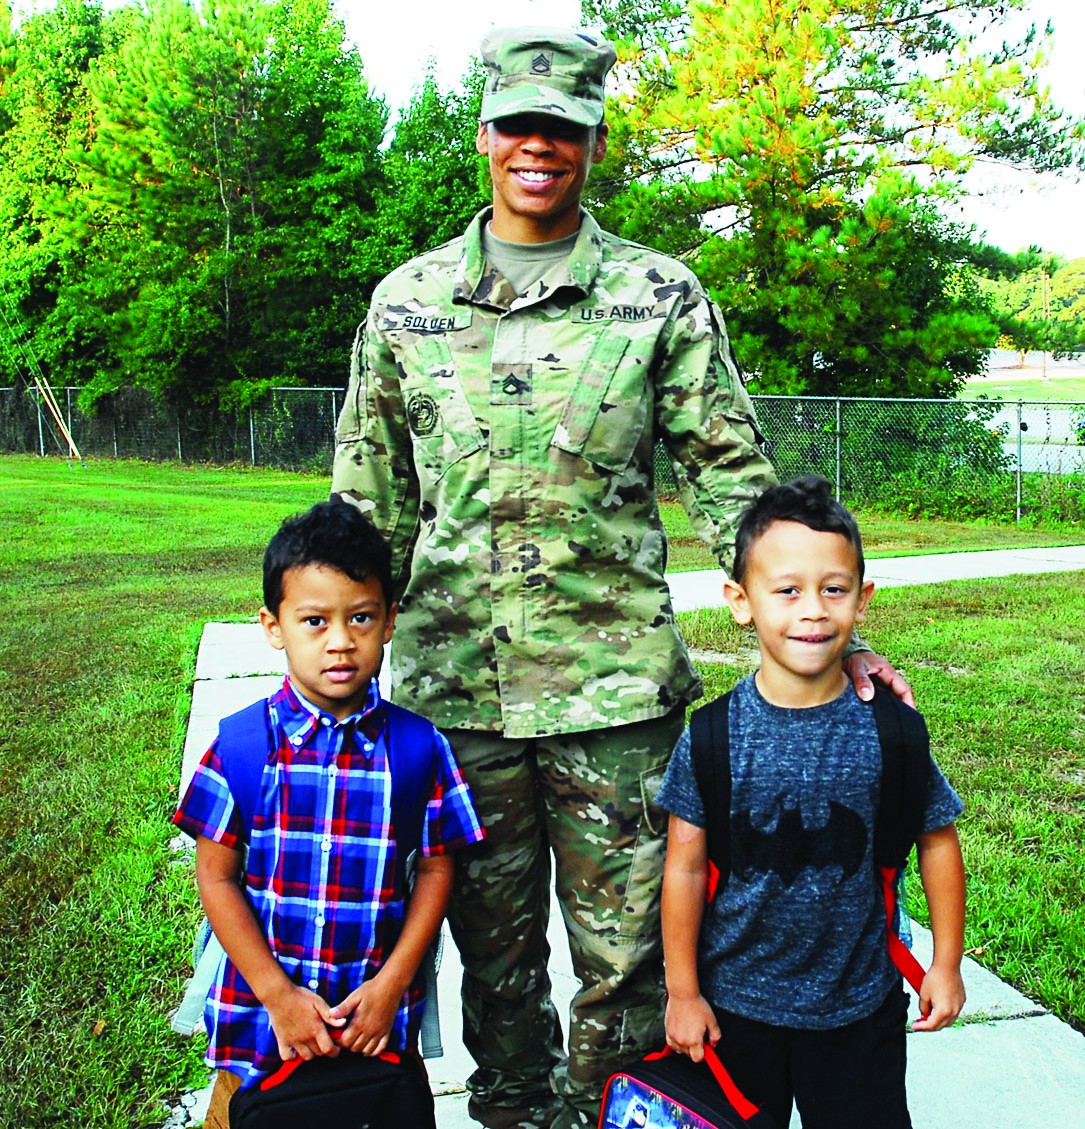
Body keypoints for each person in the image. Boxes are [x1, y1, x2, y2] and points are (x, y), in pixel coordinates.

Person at [331, 26, 908, 1128]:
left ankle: (620, 1118)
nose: (537, 146)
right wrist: (330, 668)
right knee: (491, 973)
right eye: (517, 124)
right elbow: (368, 510)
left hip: (615, 705)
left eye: (564, 127)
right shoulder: (404, 305)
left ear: (593, 140)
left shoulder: (656, 297)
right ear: (486, 132)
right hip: (458, 700)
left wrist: (827, 632)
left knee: (629, 970)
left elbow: (733, 483)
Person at [657, 476, 966, 1129]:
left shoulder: (891, 731)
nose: (812, 610)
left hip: (858, 1007)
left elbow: (936, 838)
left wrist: (943, 963)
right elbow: (683, 867)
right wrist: (682, 991)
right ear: (740, 602)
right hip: (735, 1012)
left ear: (862, 598)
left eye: (833, 588)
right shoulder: (712, 737)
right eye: (786, 590)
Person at [172, 500, 485, 1128]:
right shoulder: (241, 746)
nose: (340, 642)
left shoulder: (419, 750)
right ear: (273, 625)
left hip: (374, 1023)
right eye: (314, 621)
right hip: (262, 1026)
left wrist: (393, 986)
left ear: (390, 621)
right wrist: (277, 996)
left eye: (361, 618)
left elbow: (435, 872)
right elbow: (216, 878)